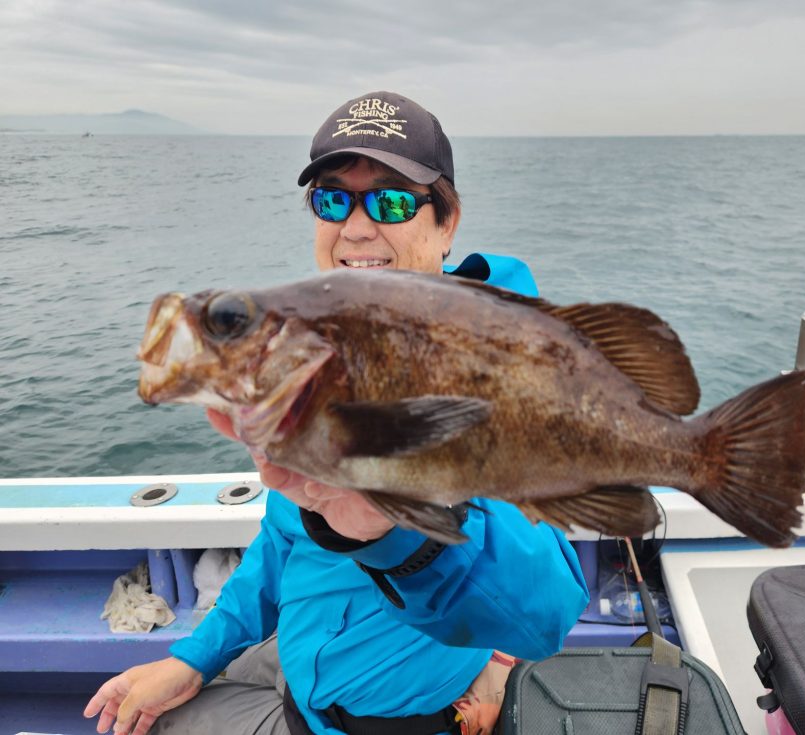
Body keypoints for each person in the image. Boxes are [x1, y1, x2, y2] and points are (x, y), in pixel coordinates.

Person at [84, 91, 589, 735]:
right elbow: (282, 543)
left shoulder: (508, 369)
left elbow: (543, 615)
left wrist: (394, 531)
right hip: (295, 677)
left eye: (393, 200)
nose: (355, 228)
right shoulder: (322, 360)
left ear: (446, 222)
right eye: (332, 198)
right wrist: (194, 656)